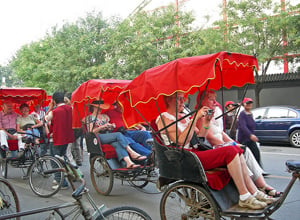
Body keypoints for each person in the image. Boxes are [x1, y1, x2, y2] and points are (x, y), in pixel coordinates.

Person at [156, 92, 275, 210]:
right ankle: (244, 196)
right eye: (179, 99)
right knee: (229, 151)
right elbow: (181, 141)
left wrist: (207, 122)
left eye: (183, 98)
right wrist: (195, 119)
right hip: (184, 157)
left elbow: (201, 136)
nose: (183, 101)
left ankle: (253, 191)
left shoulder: (184, 115)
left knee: (236, 149)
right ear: (168, 100)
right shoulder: (164, 118)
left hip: (195, 152)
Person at [197, 90, 282, 198]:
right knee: (240, 151)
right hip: (212, 147)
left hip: (222, 144)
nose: (214, 102)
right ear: (203, 101)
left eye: (215, 99)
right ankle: (254, 189)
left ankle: (262, 185)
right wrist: (229, 146)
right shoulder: (201, 116)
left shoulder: (212, 116)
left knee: (244, 149)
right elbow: (210, 138)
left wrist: (232, 143)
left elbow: (222, 133)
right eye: (211, 99)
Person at [87, 100, 146, 169]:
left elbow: (109, 128)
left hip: (108, 134)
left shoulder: (105, 116)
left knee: (117, 144)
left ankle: (128, 162)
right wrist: (101, 127)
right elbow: (91, 131)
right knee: (118, 134)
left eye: (101, 108)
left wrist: (110, 126)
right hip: (98, 137)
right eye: (98, 108)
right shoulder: (90, 118)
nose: (100, 109)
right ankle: (131, 152)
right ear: (93, 107)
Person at [45, 92, 75, 190]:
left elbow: (46, 119)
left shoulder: (54, 111)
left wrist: (50, 107)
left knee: (55, 161)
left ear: (54, 100)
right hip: (67, 138)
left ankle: (61, 182)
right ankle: (67, 176)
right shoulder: (70, 109)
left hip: (56, 138)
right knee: (63, 159)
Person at [237, 98, 262, 167]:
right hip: (244, 139)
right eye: (247, 103)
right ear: (244, 105)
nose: (249, 105)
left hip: (250, 139)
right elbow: (243, 126)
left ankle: (258, 170)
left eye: (250, 103)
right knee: (245, 155)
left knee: (256, 154)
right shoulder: (242, 114)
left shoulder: (250, 114)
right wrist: (250, 135)